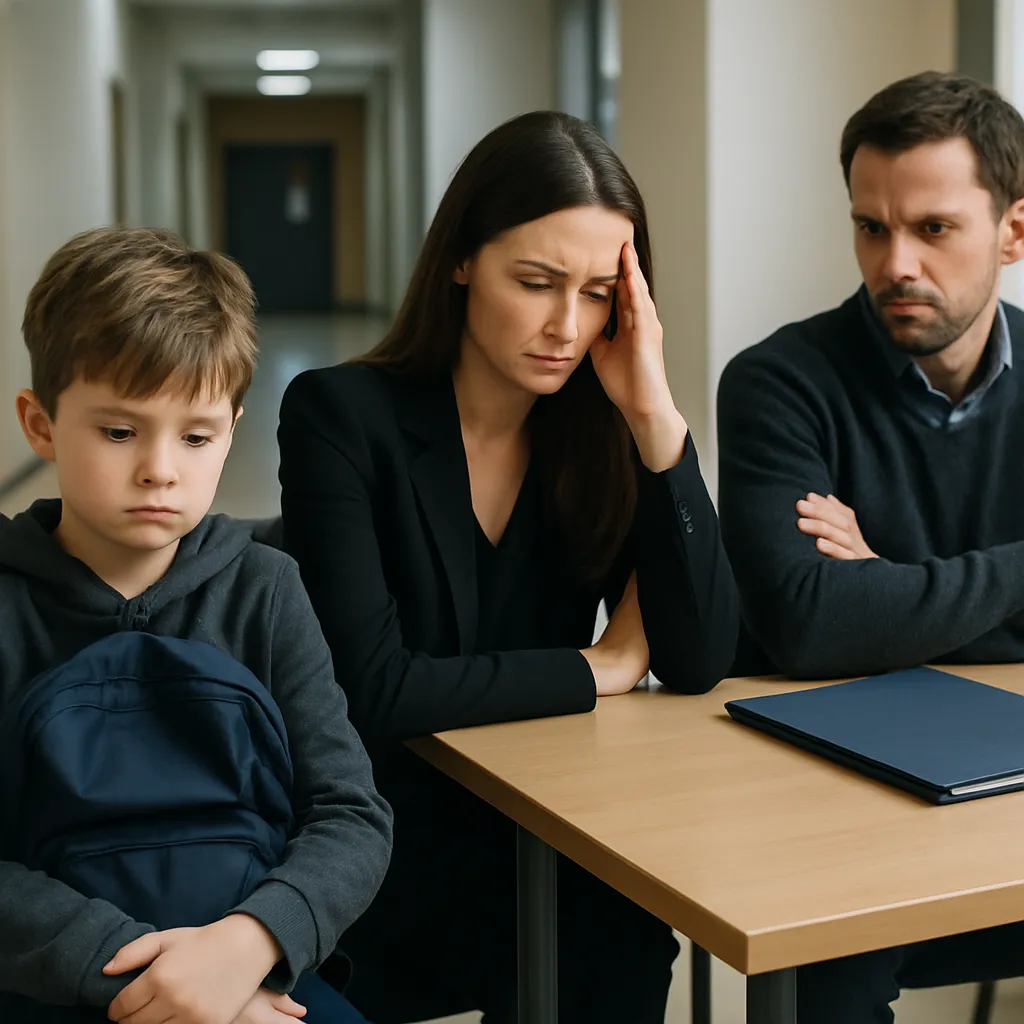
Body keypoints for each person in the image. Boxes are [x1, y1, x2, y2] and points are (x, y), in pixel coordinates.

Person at [277, 110, 739, 1023]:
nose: (567, 327)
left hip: (553, 825)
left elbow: (697, 658)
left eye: (601, 292)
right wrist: (597, 667)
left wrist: (657, 420)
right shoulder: (339, 416)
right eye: (535, 282)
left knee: (624, 933)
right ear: (460, 260)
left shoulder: (601, 426)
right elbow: (372, 693)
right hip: (382, 842)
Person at [0, 227, 392, 1024]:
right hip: (55, 981)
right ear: (40, 424)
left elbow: (350, 814)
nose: (160, 468)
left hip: (253, 967)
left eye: (197, 435)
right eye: (119, 431)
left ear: (233, 429)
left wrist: (246, 948)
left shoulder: (267, 590)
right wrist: (160, 989)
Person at [717, 71, 1024, 1022]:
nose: (895, 262)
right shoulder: (779, 384)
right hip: (842, 803)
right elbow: (807, 626)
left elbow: (854, 616)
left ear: (1014, 231)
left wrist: (889, 586)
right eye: (871, 226)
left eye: (933, 229)